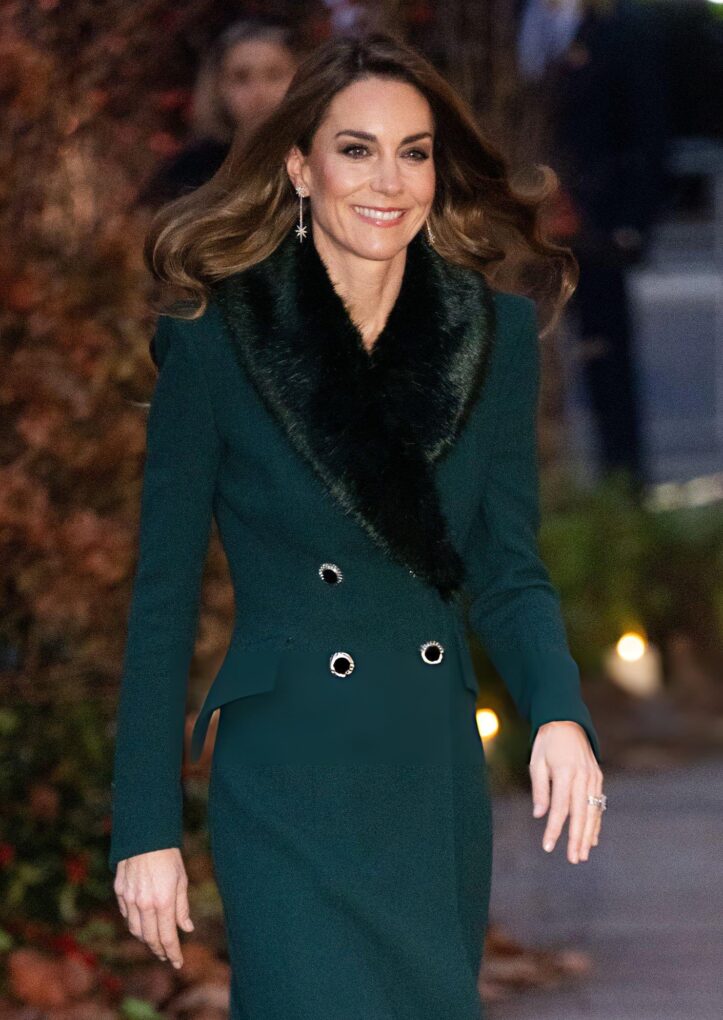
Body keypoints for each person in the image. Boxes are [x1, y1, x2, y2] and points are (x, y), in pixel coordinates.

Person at [109, 31, 606, 1020]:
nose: (389, 181)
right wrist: (144, 829)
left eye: (413, 152)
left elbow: (507, 569)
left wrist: (559, 711)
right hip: (284, 773)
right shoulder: (215, 346)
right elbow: (162, 603)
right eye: (356, 149)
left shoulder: (494, 338)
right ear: (301, 168)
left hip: (428, 769)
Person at [516, 0, 668, 489]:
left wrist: (630, 223)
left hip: (592, 227)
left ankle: (623, 487)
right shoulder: (504, 23)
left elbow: (647, 129)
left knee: (605, 359)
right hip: (514, 229)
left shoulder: (618, 28)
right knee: (517, 360)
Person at [135, 16, 300, 208]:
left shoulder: (319, 162)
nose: (259, 93)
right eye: (241, 78)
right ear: (218, 87)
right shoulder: (190, 172)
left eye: (274, 75)